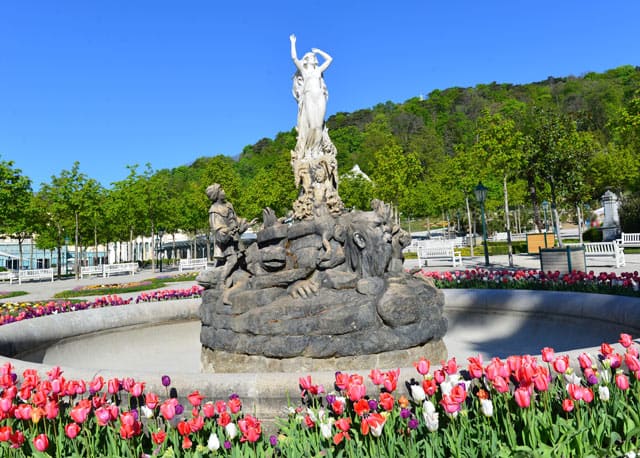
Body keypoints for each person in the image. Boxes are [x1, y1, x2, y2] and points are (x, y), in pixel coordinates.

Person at [290, 34, 332, 156]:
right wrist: (293, 42)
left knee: (319, 126)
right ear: (307, 60)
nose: (314, 58)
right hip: (309, 96)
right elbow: (294, 57)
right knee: (312, 126)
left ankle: (316, 151)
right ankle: (309, 149)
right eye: (311, 57)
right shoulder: (304, 70)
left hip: (320, 96)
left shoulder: (318, 70)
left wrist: (318, 51)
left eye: (314, 57)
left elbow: (330, 59)